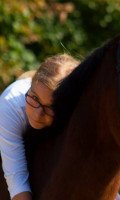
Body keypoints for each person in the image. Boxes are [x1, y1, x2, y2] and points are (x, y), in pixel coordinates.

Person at [0, 54, 80, 200]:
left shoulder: (77, 115)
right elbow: (16, 180)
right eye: (35, 97)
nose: (37, 114)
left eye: (50, 107)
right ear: (30, 85)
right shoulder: (10, 105)